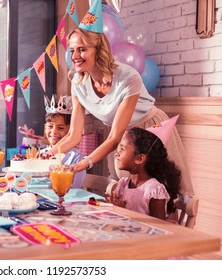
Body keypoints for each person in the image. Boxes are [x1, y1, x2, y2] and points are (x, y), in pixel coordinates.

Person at [47, 2, 194, 197]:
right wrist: (50, 153)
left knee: (167, 194)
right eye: (72, 50)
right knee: (129, 196)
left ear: (98, 49)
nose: (75, 56)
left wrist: (86, 162)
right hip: (124, 139)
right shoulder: (78, 83)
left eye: (81, 49)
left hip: (151, 131)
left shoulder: (128, 78)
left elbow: (114, 137)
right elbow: (74, 134)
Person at [107, 121, 181, 220]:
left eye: (122, 149)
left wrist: (123, 212)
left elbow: (160, 228)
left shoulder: (154, 190)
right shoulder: (123, 184)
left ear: (139, 159)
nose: (117, 153)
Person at [41, 109, 86, 189]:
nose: (54, 132)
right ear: (45, 128)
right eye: (50, 126)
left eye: (60, 128)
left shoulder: (76, 157)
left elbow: (75, 188)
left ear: (70, 131)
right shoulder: (42, 154)